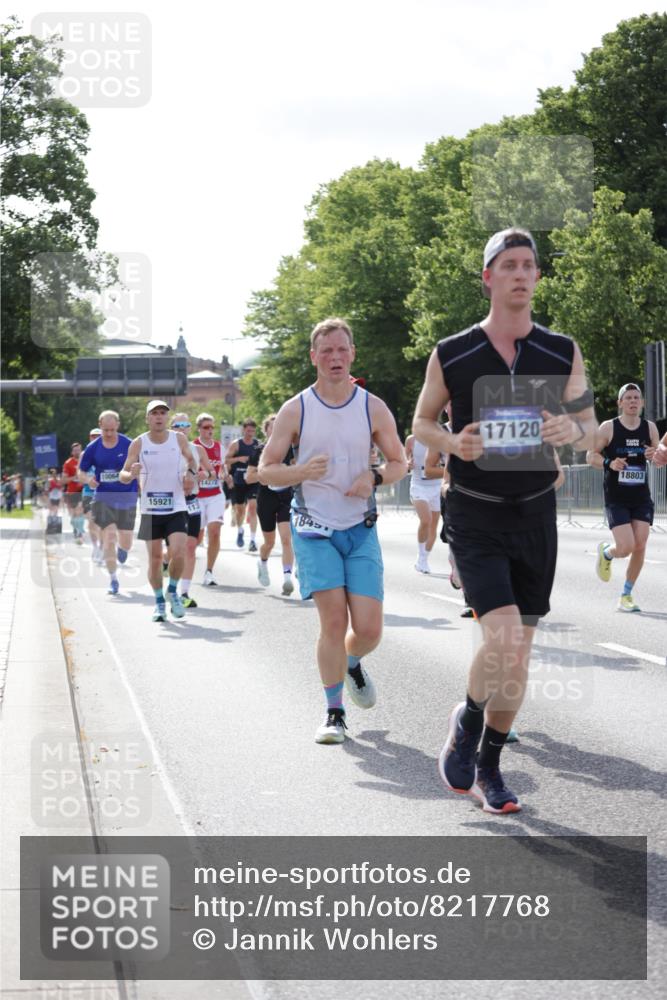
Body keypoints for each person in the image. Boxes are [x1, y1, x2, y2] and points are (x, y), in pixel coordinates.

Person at [413, 227, 597, 814]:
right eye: (509, 265)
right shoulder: (454, 351)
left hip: (536, 515)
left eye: (529, 265)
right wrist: (453, 443)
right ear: (489, 277)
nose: (521, 273)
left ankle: (490, 765)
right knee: (503, 636)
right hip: (475, 514)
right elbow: (420, 424)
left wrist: (573, 431)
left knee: (518, 657)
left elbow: (591, 427)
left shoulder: (562, 349)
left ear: (538, 277)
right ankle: (466, 725)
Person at [259, 317, 407, 744]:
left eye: (342, 349)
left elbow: (399, 462)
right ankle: (334, 712)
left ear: (353, 354)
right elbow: (267, 471)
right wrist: (301, 470)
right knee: (332, 621)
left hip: (359, 527)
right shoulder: (296, 409)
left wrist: (374, 478)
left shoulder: (372, 406)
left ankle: (353, 661)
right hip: (312, 528)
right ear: (314, 358)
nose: (335, 357)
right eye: (327, 351)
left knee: (369, 629)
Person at [120, 400, 195, 622]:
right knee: (154, 559)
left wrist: (190, 474)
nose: (159, 417)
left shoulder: (178, 439)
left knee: (179, 551)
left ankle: (172, 590)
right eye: (155, 413)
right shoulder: (138, 443)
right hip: (151, 508)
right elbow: (122, 475)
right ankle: (159, 603)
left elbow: (191, 460)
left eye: (163, 413)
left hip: (177, 506)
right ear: (148, 418)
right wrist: (131, 474)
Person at [587, 383, 660, 612]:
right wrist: (610, 463)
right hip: (616, 497)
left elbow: (659, 457)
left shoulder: (650, 428)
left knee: (640, 544)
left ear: (642, 402)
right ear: (620, 403)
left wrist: (654, 454)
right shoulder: (608, 428)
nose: (632, 401)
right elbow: (591, 455)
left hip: (641, 497)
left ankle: (626, 595)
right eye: (628, 397)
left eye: (636, 397)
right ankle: (607, 552)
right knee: (626, 546)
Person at [79, 411, 138, 595]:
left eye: (112, 429)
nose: (109, 433)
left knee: (126, 540)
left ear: (118, 425)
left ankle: (123, 549)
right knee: (110, 536)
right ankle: (113, 579)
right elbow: (81, 472)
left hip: (127, 497)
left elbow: (142, 467)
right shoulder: (93, 447)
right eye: (105, 430)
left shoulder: (129, 444)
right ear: (100, 425)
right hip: (103, 497)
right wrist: (88, 480)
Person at [245, 414, 295, 595]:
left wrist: (288, 472)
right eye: (271, 427)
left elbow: (298, 469)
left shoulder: (290, 449)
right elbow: (249, 477)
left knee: (286, 539)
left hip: (286, 498)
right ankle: (263, 562)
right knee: (269, 543)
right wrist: (266, 474)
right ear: (266, 430)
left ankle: (287, 578)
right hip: (266, 499)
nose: (275, 430)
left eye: (279, 426)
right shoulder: (258, 451)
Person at [170, 412, 215, 607]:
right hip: (171, 503)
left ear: (189, 428)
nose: (181, 427)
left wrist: (204, 474)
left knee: (190, 547)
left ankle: (184, 593)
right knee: (175, 549)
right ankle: (171, 587)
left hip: (192, 501)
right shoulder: (164, 449)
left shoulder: (197, 450)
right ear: (171, 428)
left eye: (185, 424)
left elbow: (212, 473)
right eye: (177, 424)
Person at [193, 413, 226, 586]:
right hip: (197, 497)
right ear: (199, 428)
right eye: (206, 427)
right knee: (196, 538)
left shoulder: (219, 447)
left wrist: (223, 474)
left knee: (214, 532)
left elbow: (223, 469)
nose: (210, 430)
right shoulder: (192, 447)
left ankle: (209, 572)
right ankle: (170, 561)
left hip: (215, 495)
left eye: (212, 427)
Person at [405, 432, 444, 574]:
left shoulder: (440, 437)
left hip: (436, 486)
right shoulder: (411, 440)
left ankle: (423, 559)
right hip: (418, 485)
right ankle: (421, 555)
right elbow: (405, 464)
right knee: (426, 519)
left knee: (433, 526)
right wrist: (407, 464)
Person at [225, 419, 260, 552]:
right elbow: (226, 459)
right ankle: (240, 530)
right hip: (239, 480)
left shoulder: (258, 445)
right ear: (243, 430)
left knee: (252, 507)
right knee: (240, 510)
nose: (250, 433)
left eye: (252, 431)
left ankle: (252, 540)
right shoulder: (236, 444)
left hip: (253, 481)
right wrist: (238, 459)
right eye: (248, 430)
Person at [81, 428, 103, 563]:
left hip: (102, 493)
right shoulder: (85, 454)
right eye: (92, 436)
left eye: (98, 436)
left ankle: (101, 547)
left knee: (101, 523)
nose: (95, 438)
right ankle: (95, 546)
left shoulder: (107, 452)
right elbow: (80, 473)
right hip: (88, 492)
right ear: (89, 438)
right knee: (91, 522)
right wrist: (87, 479)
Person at [62, 443, 85, 544]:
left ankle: (79, 531)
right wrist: (74, 478)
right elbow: (64, 480)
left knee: (79, 511)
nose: (77, 452)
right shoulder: (68, 463)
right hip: (71, 492)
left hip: (82, 491)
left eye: (79, 450)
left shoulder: (85, 461)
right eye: (75, 450)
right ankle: (76, 528)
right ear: (72, 452)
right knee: (73, 514)